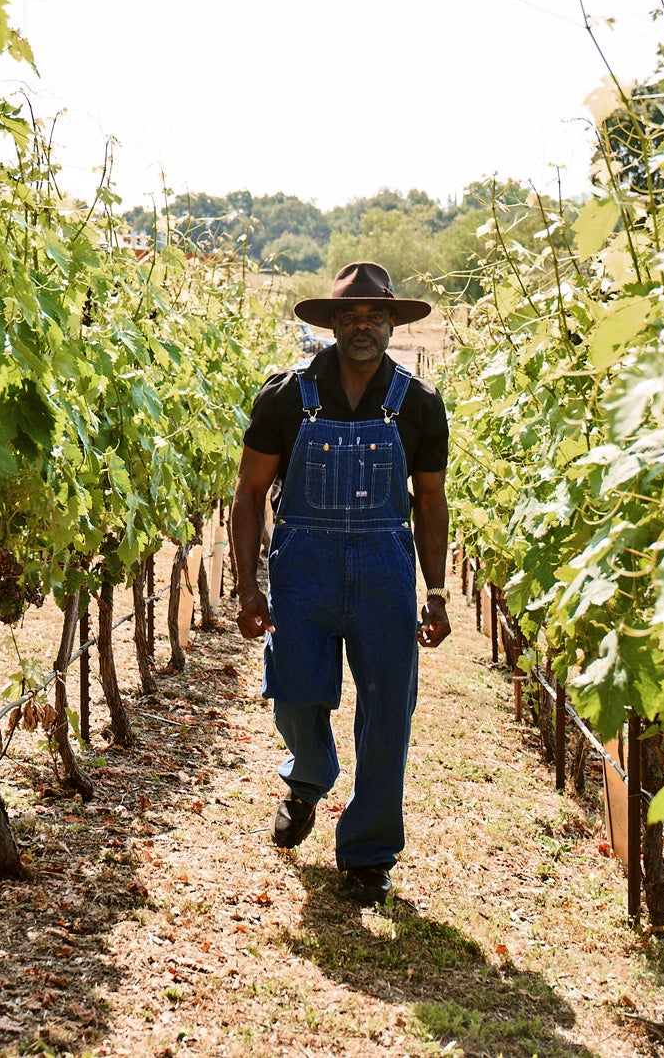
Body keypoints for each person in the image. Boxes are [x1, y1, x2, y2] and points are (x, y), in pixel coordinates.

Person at [230, 261, 451, 907]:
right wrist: (247, 587)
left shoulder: (417, 404)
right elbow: (247, 494)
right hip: (303, 570)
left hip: (385, 571)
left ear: (391, 322)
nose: (361, 327)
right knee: (296, 691)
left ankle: (366, 853)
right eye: (347, 317)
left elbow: (430, 500)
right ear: (329, 325)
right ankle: (309, 774)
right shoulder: (285, 396)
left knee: (387, 712)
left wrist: (435, 594)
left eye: (373, 316)